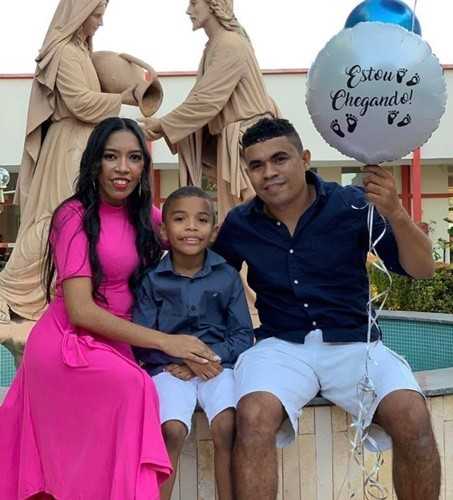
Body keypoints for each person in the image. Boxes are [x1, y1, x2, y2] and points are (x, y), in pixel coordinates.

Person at [213, 117, 441, 500]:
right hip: (280, 345)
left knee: (412, 415)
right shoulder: (240, 223)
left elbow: (422, 269)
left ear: (304, 159)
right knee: (252, 416)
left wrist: (396, 213)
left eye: (279, 159)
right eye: (256, 165)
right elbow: (209, 283)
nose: (268, 173)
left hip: (355, 343)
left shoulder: (352, 205)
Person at [0, 118, 220, 500]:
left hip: (119, 344)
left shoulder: (146, 216)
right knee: (136, 388)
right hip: (68, 344)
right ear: (95, 161)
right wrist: (168, 342)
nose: (123, 168)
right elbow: (80, 311)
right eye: (111, 156)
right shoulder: (73, 216)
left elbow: (195, 236)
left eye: (134, 158)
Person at [0, 0, 137, 323]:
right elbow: (79, 103)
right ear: (80, 14)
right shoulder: (63, 53)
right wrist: (121, 98)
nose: (100, 23)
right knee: (56, 216)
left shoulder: (80, 53)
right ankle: (11, 288)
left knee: (76, 219)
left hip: (84, 143)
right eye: (97, 15)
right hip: (68, 146)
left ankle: (62, 291)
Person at [133, 186, 254, 500]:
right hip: (168, 368)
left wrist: (202, 360)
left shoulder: (227, 276)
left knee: (227, 426)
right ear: (164, 230)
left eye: (201, 220)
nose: (190, 227)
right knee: (171, 430)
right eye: (180, 219)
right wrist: (182, 360)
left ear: (213, 231)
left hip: (218, 367)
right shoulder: (152, 279)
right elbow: (142, 341)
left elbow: (243, 336)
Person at [139, 0, 279, 223]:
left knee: (254, 218)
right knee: (243, 220)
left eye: (194, 3)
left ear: (214, 4)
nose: (189, 10)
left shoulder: (230, 44)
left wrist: (163, 125)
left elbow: (207, 101)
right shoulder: (215, 45)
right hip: (235, 143)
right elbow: (200, 98)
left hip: (248, 144)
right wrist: (164, 125)